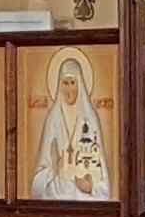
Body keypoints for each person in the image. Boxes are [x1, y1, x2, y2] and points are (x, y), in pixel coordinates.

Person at [30, 56, 112, 202]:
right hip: (57, 192)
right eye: (65, 83)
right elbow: (37, 185)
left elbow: (101, 177)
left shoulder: (90, 118)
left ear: (80, 84)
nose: (68, 89)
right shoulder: (53, 118)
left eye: (72, 83)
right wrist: (54, 169)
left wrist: (90, 186)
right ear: (59, 85)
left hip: (84, 195)